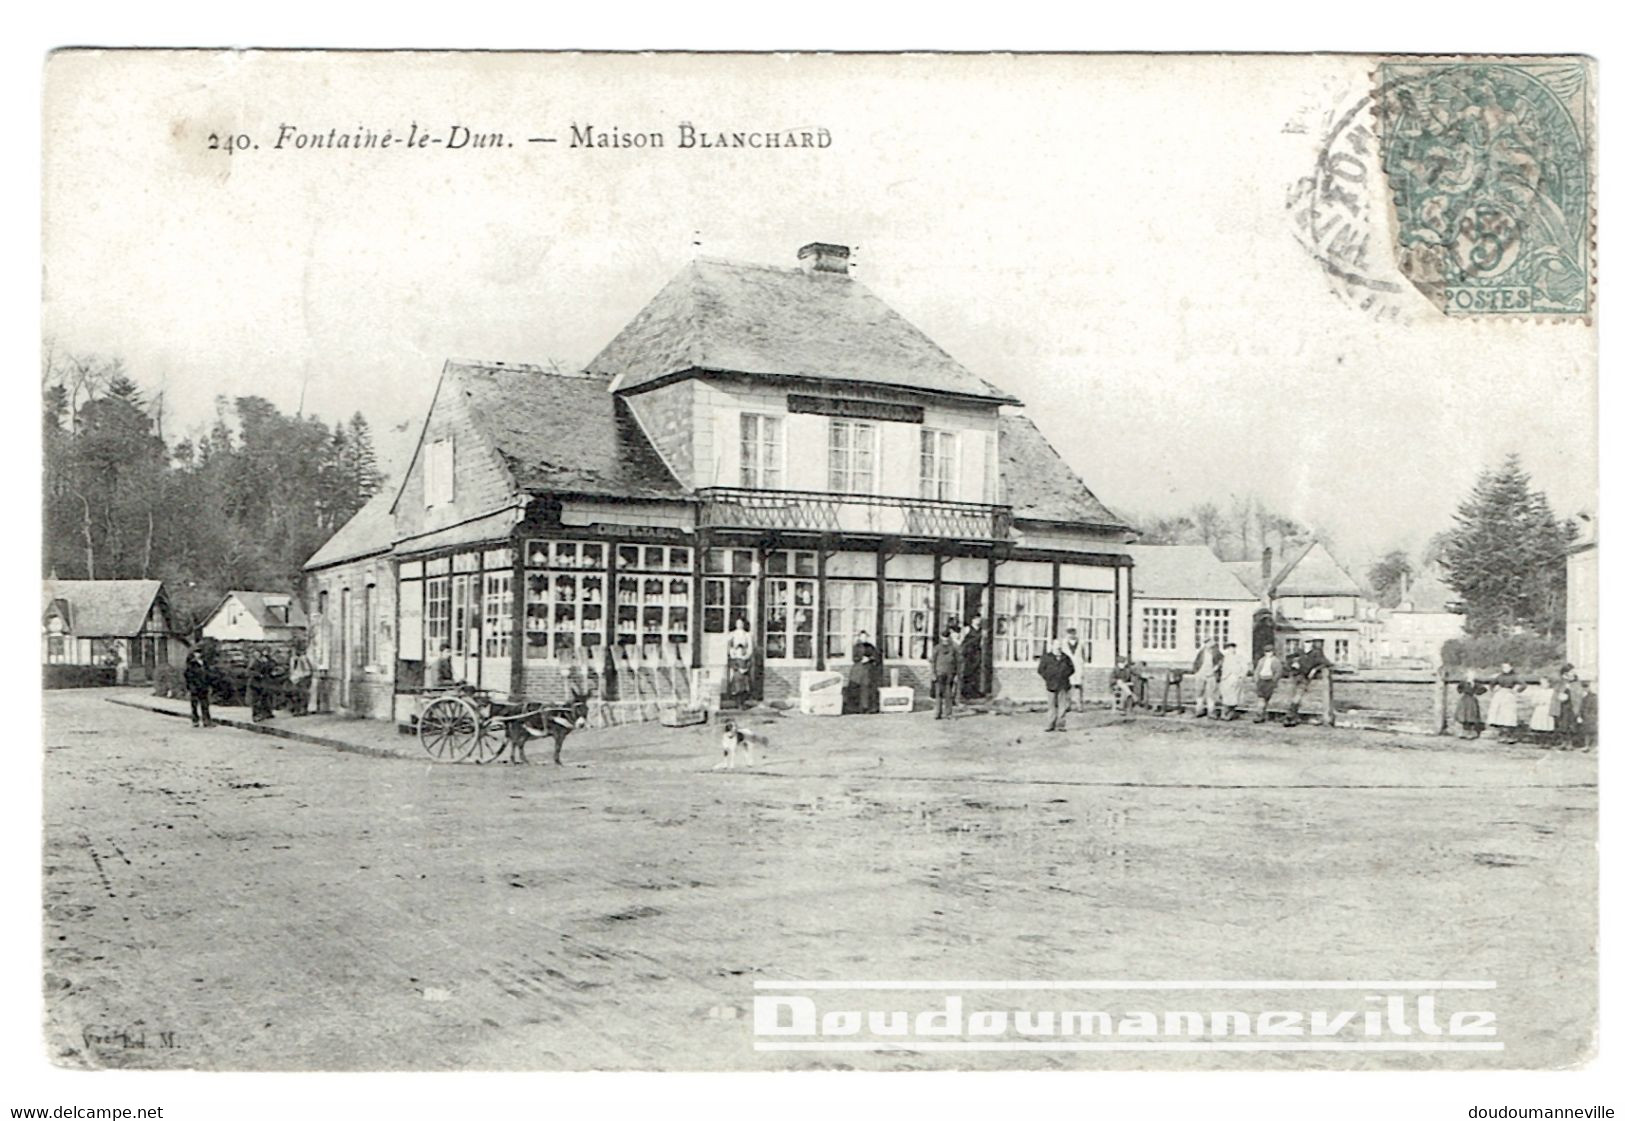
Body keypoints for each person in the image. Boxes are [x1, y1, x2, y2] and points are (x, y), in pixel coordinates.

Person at [1281, 639, 1330, 727]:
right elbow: (1288, 658)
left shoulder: (1316, 653)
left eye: (1310, 642)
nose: (1308, 644)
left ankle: (1290, 716)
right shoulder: (1299, 652)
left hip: (1305, 677)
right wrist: (1293, 663)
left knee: (1297, 697)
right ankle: (1293, 718)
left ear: (1312, 644)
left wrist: (1315, 669)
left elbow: (1326, 663)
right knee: (1292, 696)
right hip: (1295, 676)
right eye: (1306, 642)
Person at [1037, 640, 1075, 732]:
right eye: (1056, 646)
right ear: (1052, 646)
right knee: (1051, 706)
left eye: (1060, 646)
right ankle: (1050, 724)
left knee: (1062, 705)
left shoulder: (1066, 658)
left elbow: (1072, 669)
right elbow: (1040, 670)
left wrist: (1064, 675)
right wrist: (1048, 677)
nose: (1058, 648)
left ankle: (1060, 725)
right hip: (1051, 685)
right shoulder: (1046, 657)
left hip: (1063, 684)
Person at [1486, 661, 1522, 744]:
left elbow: (1523, 685)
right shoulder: (1499, 676)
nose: (1505, 669)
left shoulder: (1514, 677)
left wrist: (1515, 690)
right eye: (1504, 667)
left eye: (1507, 667)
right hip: (1500, 696)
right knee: (1500, 715)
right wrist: (1494, 689)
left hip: (1509, 697)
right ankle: (1502, 735)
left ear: (1511, 667)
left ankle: (1510, 735)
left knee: (1508, 715)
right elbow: (1492, 684)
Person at [931, 627, 961, 720]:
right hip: (939, 673)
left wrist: (956, 675)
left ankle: (948, 713)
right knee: (939, 694)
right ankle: (938, 713)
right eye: (944, 637)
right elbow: (933, 662)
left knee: (948, 694)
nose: (945, 639)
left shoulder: (954, 648)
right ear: (941, 637)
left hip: (950, 674)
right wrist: (933, 673)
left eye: (947, 637)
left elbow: (958, 662)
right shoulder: (937, 648)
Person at [849, 629, 880, 714]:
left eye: (865, 637)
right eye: (862, 637)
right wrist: (860, 659)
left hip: (868, 670)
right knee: (856, 687)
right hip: (858, 669)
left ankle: (869, 708)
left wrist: (870, 659)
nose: (864, 638)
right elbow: (854, 658)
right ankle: (858, 708)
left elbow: (876, 657)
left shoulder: (870, 647)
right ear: (859, 637)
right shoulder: (856, 647)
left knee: (868, 688)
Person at [1191, 638, 1223, 719]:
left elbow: (1221, 661)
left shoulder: (1216, 652)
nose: (1208, 645)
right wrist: (1196, 672)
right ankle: (1199, 710)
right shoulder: (1201, 652)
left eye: (1210, 643)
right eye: (1206, 643)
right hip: (1201, 674)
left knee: (1211, 694)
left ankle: (1211, 711)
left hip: (1211, 675)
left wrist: (1216, 668)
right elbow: (1196, 662)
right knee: (1199, 692)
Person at [726, 618, 753, 709]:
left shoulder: (747, 635)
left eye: (741, 623)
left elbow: (750, 649)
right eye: (738, 623)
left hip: (744, 661)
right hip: (736, 660)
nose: (739, 625)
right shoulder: (732, 634)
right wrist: (733, 653)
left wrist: (746, 656)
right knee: (736, 682)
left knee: (744, 683)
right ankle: (736, 701)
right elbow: (729, 646)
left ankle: (743, 701)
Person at [183, 648, 213, 728]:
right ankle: (195, 720)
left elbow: (208, 674)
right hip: (195, 687)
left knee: (205, 705)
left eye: (199, 653)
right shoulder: (191, 664)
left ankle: (206, 721)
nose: (198, 654)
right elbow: (187, 676)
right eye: (196, 653)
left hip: (204, 687)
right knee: (194, 705)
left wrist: (209, 684)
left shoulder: (205, 663)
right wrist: (190, 686)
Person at [1253, 643, 1282, 724]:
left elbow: (1278, 672)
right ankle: (1259, 715)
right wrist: (1256, 679)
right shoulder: (1261, 660)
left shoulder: (1276, 661)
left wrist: (1274, 680)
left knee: (1267, 698)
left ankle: (1263, 715)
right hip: (1261, 680)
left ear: (1273, 652)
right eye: (1266, 652)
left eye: (1269, 651)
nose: (1268, 653)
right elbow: (1257, 671)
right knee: (1260, 698)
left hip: (1269, 681)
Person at [1218, 641, 1248, 720]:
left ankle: (1230, 713)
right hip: (1226, 679)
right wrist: (1222, 676)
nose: (1231, 650)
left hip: (1235, 678)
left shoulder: (1239, 657)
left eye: (1233, 648)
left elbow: (1244, 667)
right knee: (1225, 696)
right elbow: (1221, 667)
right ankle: (1224, 713)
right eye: (1229, 648)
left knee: (1234, 696)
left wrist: (1241, 676)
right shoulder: (1225, 657)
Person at [248, 648, 279, 722]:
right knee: (256, 700)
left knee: (267, 698)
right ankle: (256, 715)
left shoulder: (268, 660)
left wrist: (274, 671)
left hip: (265, 682)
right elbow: (250, 671)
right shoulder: (255, 661)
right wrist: (258, 674)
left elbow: (274, 666)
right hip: (256, 683)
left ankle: (267, 713)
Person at [1455, 671, 1487, 740]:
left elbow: (1483, 689)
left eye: (1472, 675)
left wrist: (1476, 692)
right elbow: (1459, 689)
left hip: (1472, 700)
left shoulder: (1476, 683)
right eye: (1469, 675)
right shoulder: (1463, 682)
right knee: (1464, 715)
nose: (1470, 677)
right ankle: (1464, 732)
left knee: (1471, 716)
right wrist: (1461, 690)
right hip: (1464, 700)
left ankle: (1471, 733)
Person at [1061, 627, 1086, 714]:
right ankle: (1067, 705)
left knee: (1078, 686)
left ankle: (1079, 705)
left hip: (1078, 666)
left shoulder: (1081, 643)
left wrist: (1082, 664)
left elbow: (1083, 655)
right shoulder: (1063, 643)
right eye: (1069, 634)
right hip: (1067, 666)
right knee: (1067, 686)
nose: (1071, 635)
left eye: (1073, 633)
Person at [959, 615, 984, 701]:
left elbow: (981, 642)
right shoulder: (967, 629)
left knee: (975, 672)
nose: (978, 621)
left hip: (976, 653)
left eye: (979, 619)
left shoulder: (980, 631)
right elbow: (961, 640)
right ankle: (965, 692)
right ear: (973, 620)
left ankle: (973, 692)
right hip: (968, 653)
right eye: (976, 619)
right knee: (967, 672)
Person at [288, 642, 314, 716]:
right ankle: (296, 709)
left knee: (303, 695)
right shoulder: (293, 659)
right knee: (295, 695)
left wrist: (304, 676)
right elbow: (291, 669)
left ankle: (303, 710)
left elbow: (308, 669)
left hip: (303, 678)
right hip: (294, 678)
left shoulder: (304, 659)